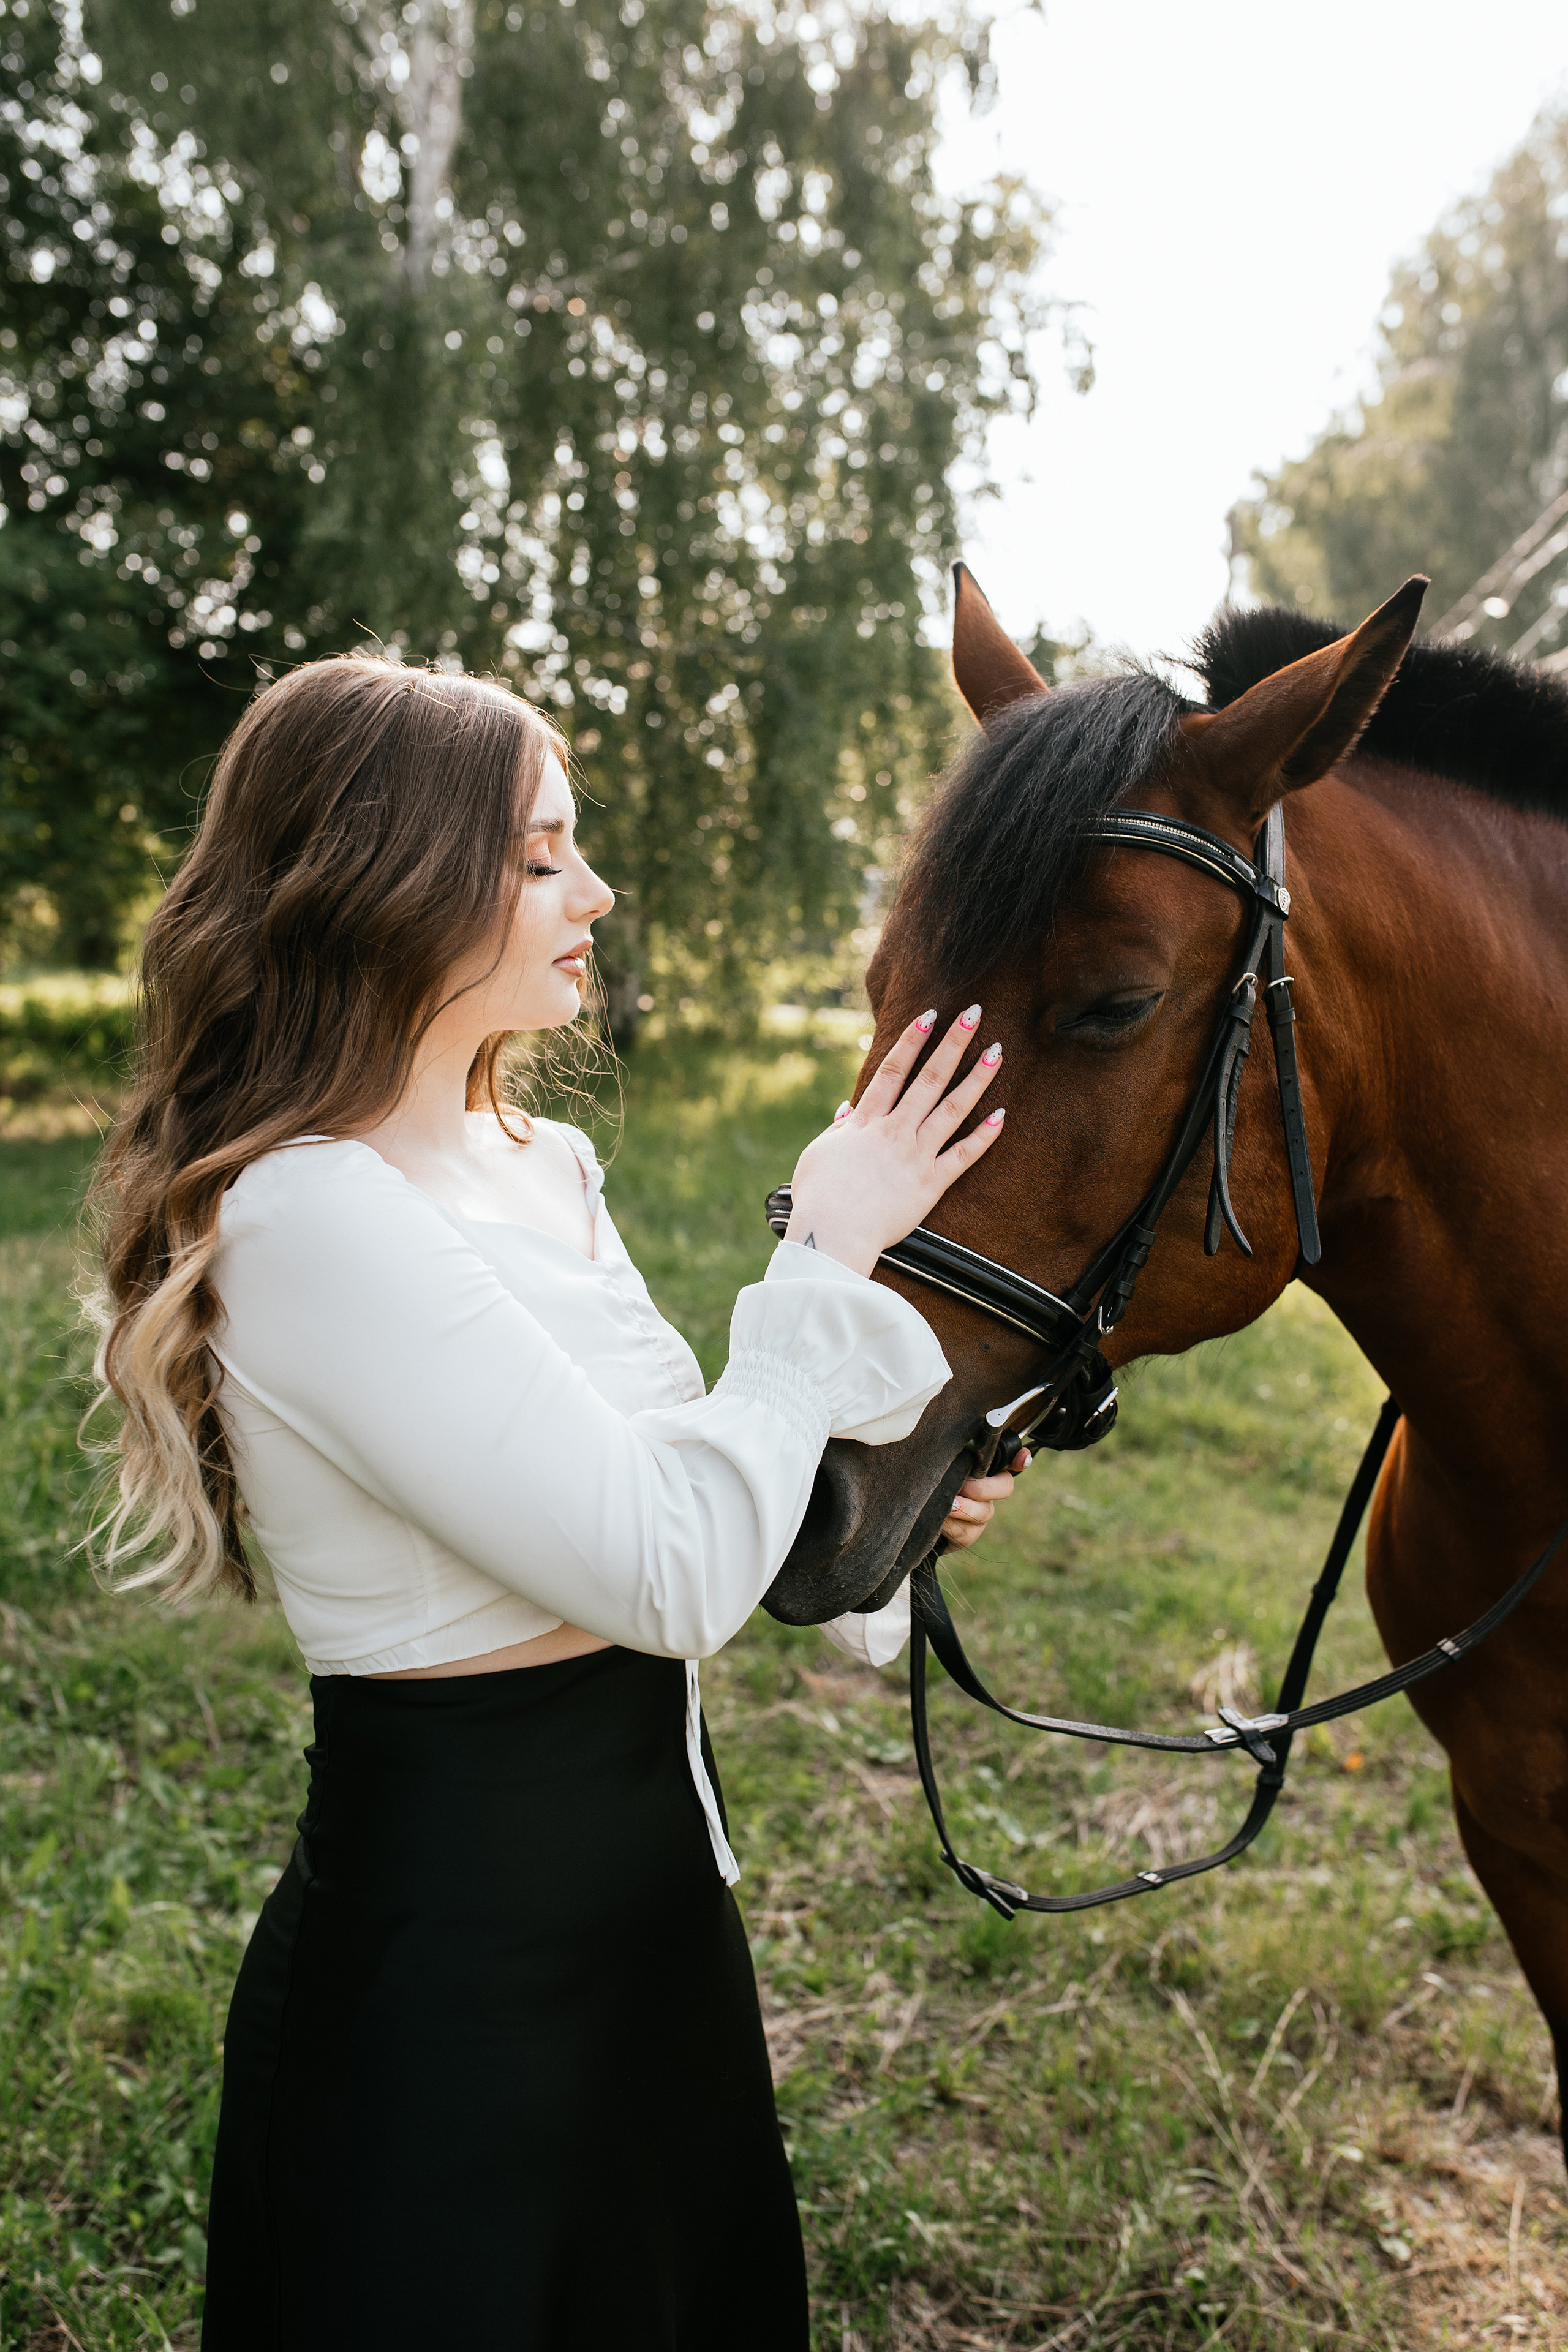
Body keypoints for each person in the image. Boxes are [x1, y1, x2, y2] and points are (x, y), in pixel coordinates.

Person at [89, 655, 1026, 2351]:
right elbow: (666, 1572)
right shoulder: (308, 1220)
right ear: (386, 878)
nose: (594, 892)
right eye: (541, 856)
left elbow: (679, 1481)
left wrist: (865, 1507)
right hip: (458, 1984)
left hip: (660, 1928)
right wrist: (823, 1252)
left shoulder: (548, 1163)